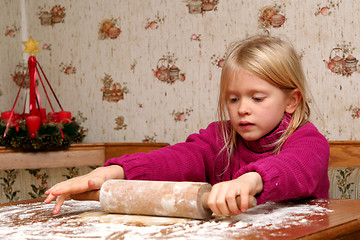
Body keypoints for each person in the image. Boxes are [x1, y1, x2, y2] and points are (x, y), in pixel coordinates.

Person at [45, 35, 329, 216]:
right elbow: (174, 159)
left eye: (257, 98)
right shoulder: (220, 138)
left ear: (291, 101)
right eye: (233, 98)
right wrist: (112, 172)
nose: (242, 108)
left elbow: (296, 167)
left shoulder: (308, 141)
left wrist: (249, 181)